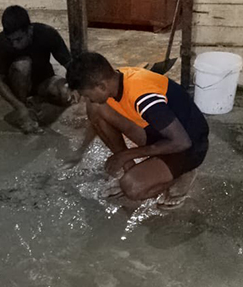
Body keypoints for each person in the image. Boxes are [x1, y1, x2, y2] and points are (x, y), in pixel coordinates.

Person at [65, 52, 209, 207]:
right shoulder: (116, 79)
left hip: (188, 146)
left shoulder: (142, 95)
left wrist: (125, 155)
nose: (87, 99)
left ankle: (182, 175)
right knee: (96, 107)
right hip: (161, 133)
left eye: (87, 94)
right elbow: (96, 118)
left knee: (132, 188)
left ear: (101, 86)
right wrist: (80, 151)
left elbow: (181, 142)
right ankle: (131, 169)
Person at [0, 5, 75, 134]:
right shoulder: (0, 42)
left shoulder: (47, 33)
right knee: (22, 65)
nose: (15, 45)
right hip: (18, 86)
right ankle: (24, 105)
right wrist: (19, 107)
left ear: (29, 30)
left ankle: (35, 102)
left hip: (43, 81)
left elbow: (69, 63)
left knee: (65, 92)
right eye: (11, 40)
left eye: (19, 39)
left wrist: (77, 86)